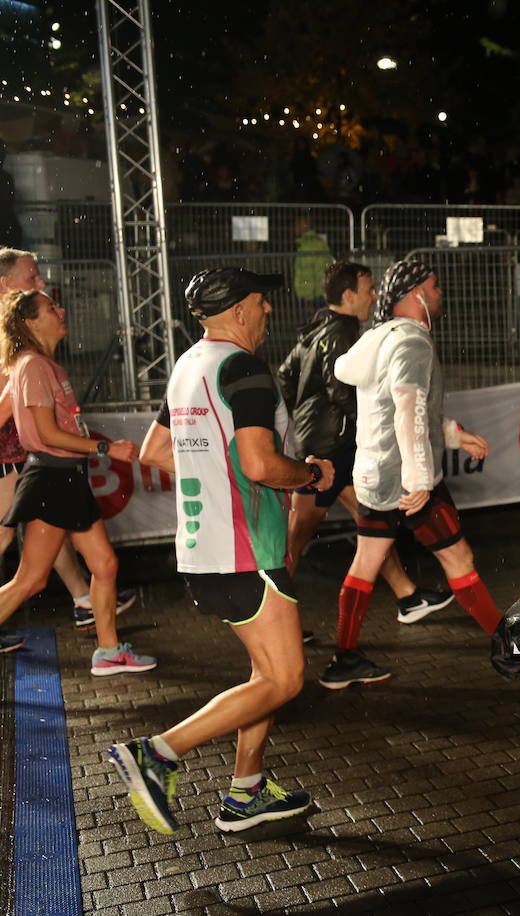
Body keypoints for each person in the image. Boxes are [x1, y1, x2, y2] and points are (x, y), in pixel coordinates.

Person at [109, 267, 330, 835]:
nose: (268, 312)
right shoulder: (244, 367)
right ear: (237, 311)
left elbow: (157, 452)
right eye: (261, 303)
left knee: (266, 673)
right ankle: (157, 753)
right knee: (284, 679)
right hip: (246, 549)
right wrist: (308, 475)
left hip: (204, 550)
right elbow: (259, 465)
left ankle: (247, 789)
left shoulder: (189, 365)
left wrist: (213, 474)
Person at [324, 258, 498, 689]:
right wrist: (421, 479)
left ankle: (343, 659)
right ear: (416, 293)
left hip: (373, 475)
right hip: (407, 480)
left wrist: (454, 436)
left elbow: (389, 413)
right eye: (434, 286)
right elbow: (407, 411)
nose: (440, 293)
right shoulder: (413, 344)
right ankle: (508, 644)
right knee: (459, 559)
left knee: (366, 559)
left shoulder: (381, 340)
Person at [277, 261, 453, 622]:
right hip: (332, 448)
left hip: (324, 442)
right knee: (300, 534)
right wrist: (374, 422)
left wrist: (304, 413)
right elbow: (341, 389)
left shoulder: (316, 326)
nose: (375, 296)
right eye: (368, 289)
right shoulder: (342, 331)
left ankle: (407, 597)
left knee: (371, 525)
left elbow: (286, 374)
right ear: (347, 295)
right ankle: (274, 619)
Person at [0, 288, 154, 670]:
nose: (62, 310)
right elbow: (48, 434)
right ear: (32, 321)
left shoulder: (44, 365)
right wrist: (104, 450)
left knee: (104, 565)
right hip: (51, 478)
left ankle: (108, 651)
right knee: (31, 580)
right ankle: (108, 648)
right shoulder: (33, 365)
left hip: (67, 477)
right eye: (52, 307)